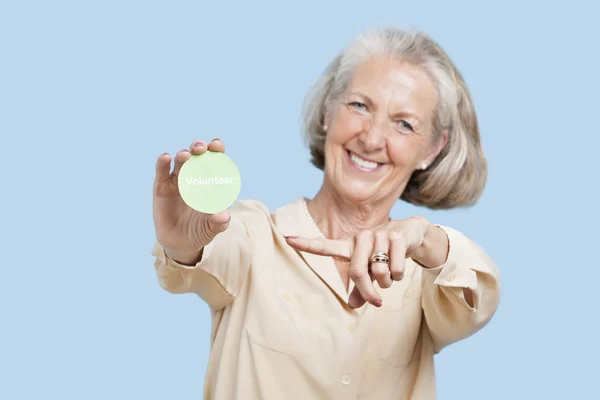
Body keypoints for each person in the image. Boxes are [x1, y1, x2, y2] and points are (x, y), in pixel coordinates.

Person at [151, 25, 501, 400]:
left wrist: (423, 235)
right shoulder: (255, 236)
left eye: (403, 124)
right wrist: (183, 246)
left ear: (432, 150)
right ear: (327, 111)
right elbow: (207, 254)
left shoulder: (426, 271)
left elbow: (478, 297)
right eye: (359, 105)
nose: (370, 138)